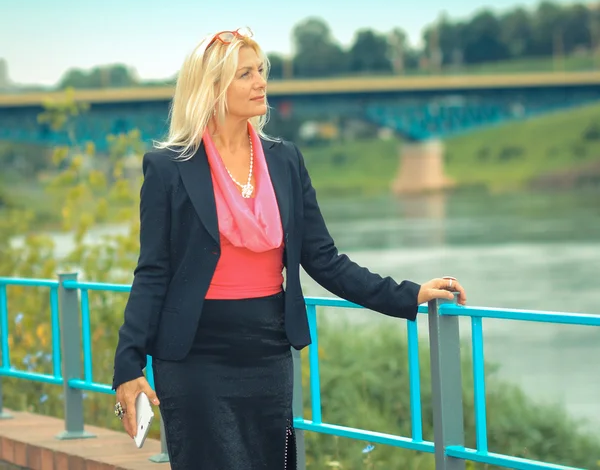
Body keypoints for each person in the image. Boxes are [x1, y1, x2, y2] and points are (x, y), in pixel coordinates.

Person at [111, 26, 467, 470]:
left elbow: (324, 259)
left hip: (267, 351)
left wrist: (407, 294)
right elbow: (153, 273)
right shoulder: (169, 167)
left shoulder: (285, 159)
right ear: (213, 88)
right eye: (245, 74)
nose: (261, 82)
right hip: (194, 358)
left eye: (261, 71)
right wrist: (128, 367)